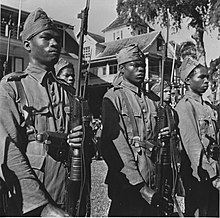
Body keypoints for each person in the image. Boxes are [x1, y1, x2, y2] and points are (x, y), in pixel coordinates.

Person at [0, 8, 84, 216]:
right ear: (27, 45)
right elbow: (6, 150)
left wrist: (82, 139)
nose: (54, 43)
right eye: (46, 38)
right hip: (31, 202)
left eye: (56, 39)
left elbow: (88, 148)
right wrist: (40, 205)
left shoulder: (70, 93)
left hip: (69, 191)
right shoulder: (12, 88)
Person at [100, 43, 172, 217]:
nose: (141, 69)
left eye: (143, 65)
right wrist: (139, 186)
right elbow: (116, 146)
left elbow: (171, 122)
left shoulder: (153, 99)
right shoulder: (113, 97)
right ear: (122, 68)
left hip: (153, 174)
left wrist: (168, 128)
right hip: (127, 181)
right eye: (134, 65)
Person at [175, 56, 220, 217]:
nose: (206, 81)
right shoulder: (184, 107)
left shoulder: (208, 107)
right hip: (198, 174)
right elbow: (193, 145)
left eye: (207, 77)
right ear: (188, 80)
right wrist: (212, 176)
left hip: (214, 170)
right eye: (201, 77)